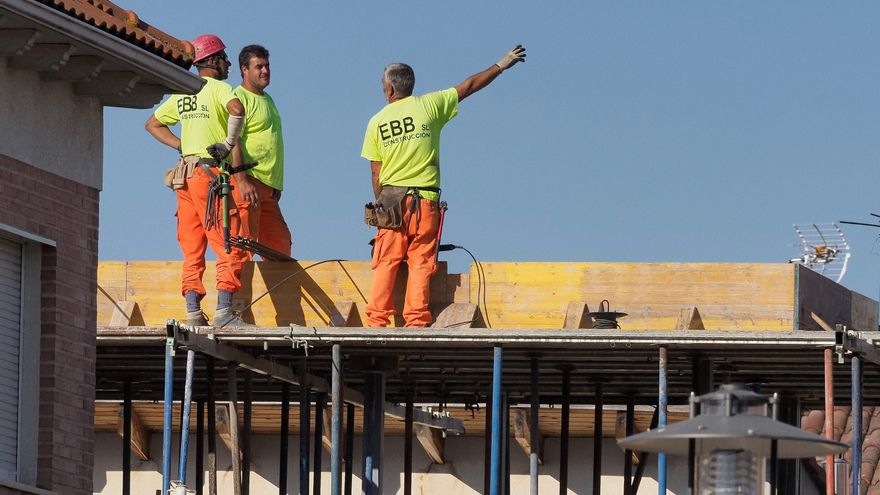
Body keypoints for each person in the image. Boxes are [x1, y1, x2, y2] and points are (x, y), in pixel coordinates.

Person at [361, 45, 526, 327]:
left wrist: (382, 204)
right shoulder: (430, 106)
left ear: (389, 89)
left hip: (391, 201)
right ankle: (416, 322)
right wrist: (501, 64)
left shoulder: (377, 122)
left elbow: (376, 171)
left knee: (386, 261)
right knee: (421, 262)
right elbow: (469, 86)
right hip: (425, 201)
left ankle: (377, 322)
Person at [145, 34, 253, 327]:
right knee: (227, 241)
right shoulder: (219, 88)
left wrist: (181, 146)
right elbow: (237, 110)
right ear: (213, 61)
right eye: (225, 58)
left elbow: (153, 124)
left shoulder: (184, 92)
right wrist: (228, 143)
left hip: (186, 176)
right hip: (210, 175)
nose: (228, 64)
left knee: (192, 244)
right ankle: (224, 312)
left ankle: (193, 311)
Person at [231, 44, 292, 257]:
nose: (265, 71)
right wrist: (241, 180)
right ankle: (236, 282)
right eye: (259, 67)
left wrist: (275, 184)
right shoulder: (238, 99)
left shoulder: (267, 99)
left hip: (268, 189)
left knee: (280, 249)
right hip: (249, 183)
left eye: (267, 66)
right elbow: (233, 141)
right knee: (244, 248)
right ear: (244, 69)